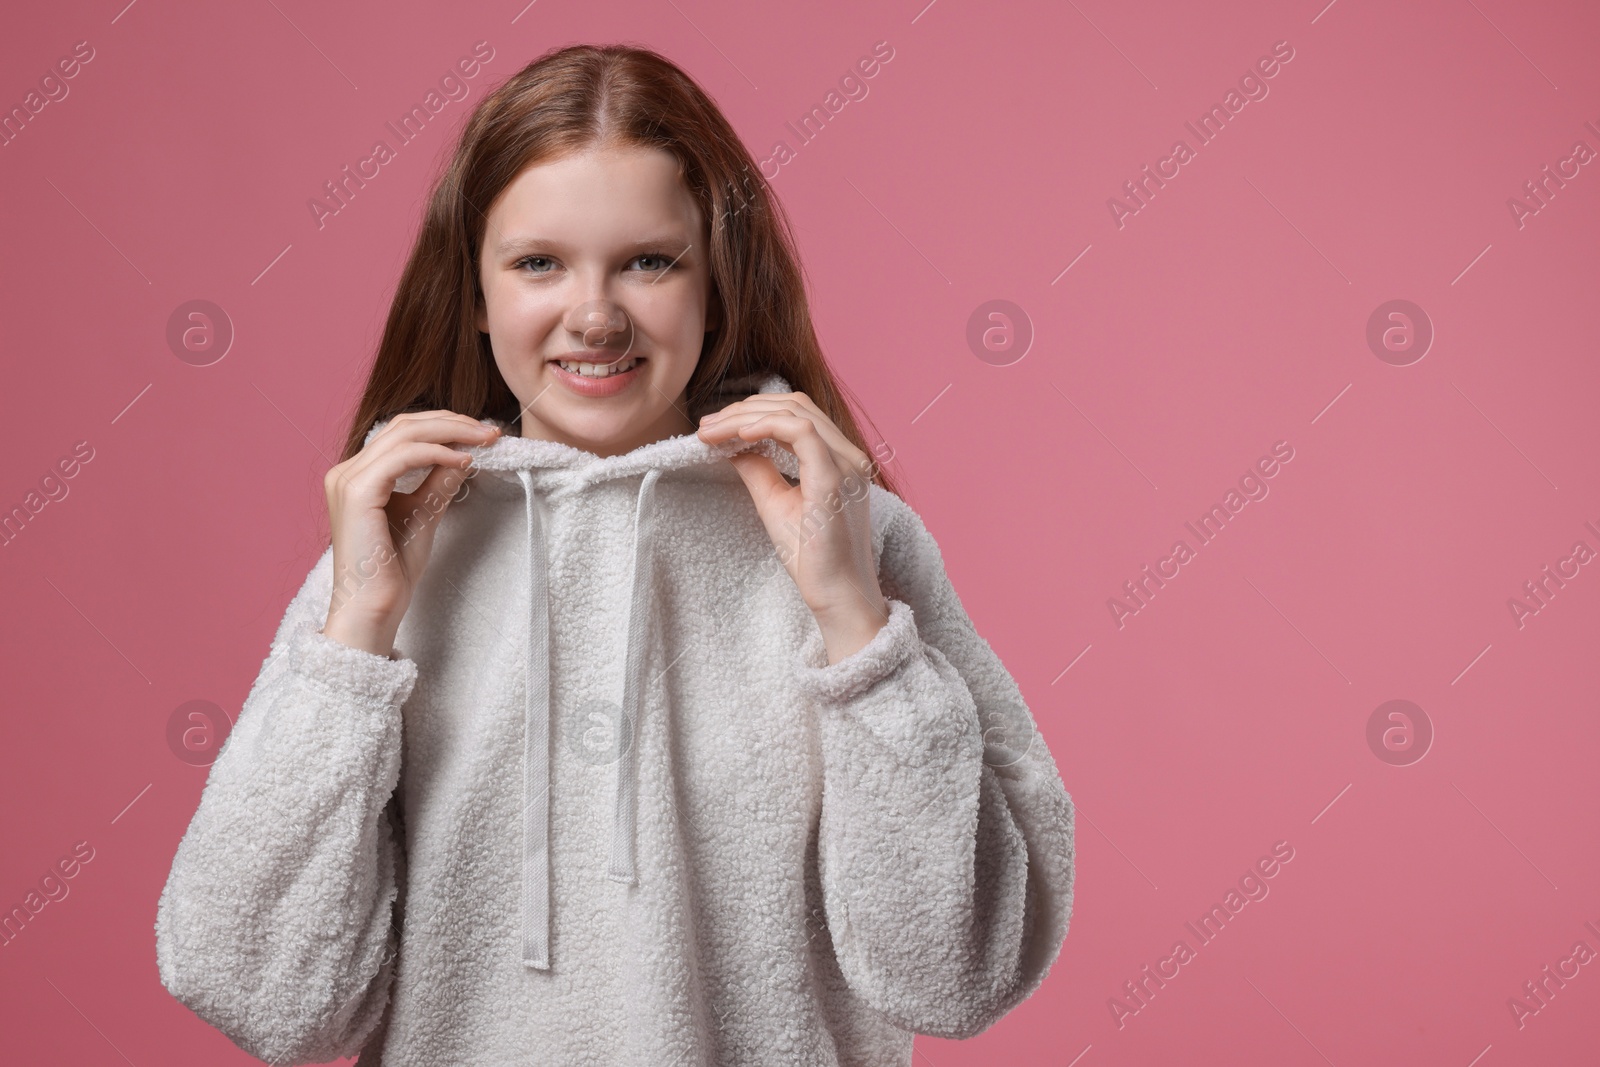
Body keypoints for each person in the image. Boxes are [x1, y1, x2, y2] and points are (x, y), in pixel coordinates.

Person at [153, 41, 1075, 1067]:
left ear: (717, 282)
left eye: (648, 260)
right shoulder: (392, 552)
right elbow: (256, 991)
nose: (594, 315)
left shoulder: (852, 532)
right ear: (475, 292)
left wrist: (855, 626)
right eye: (538, 261)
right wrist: (357, 633)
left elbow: (957, 975)